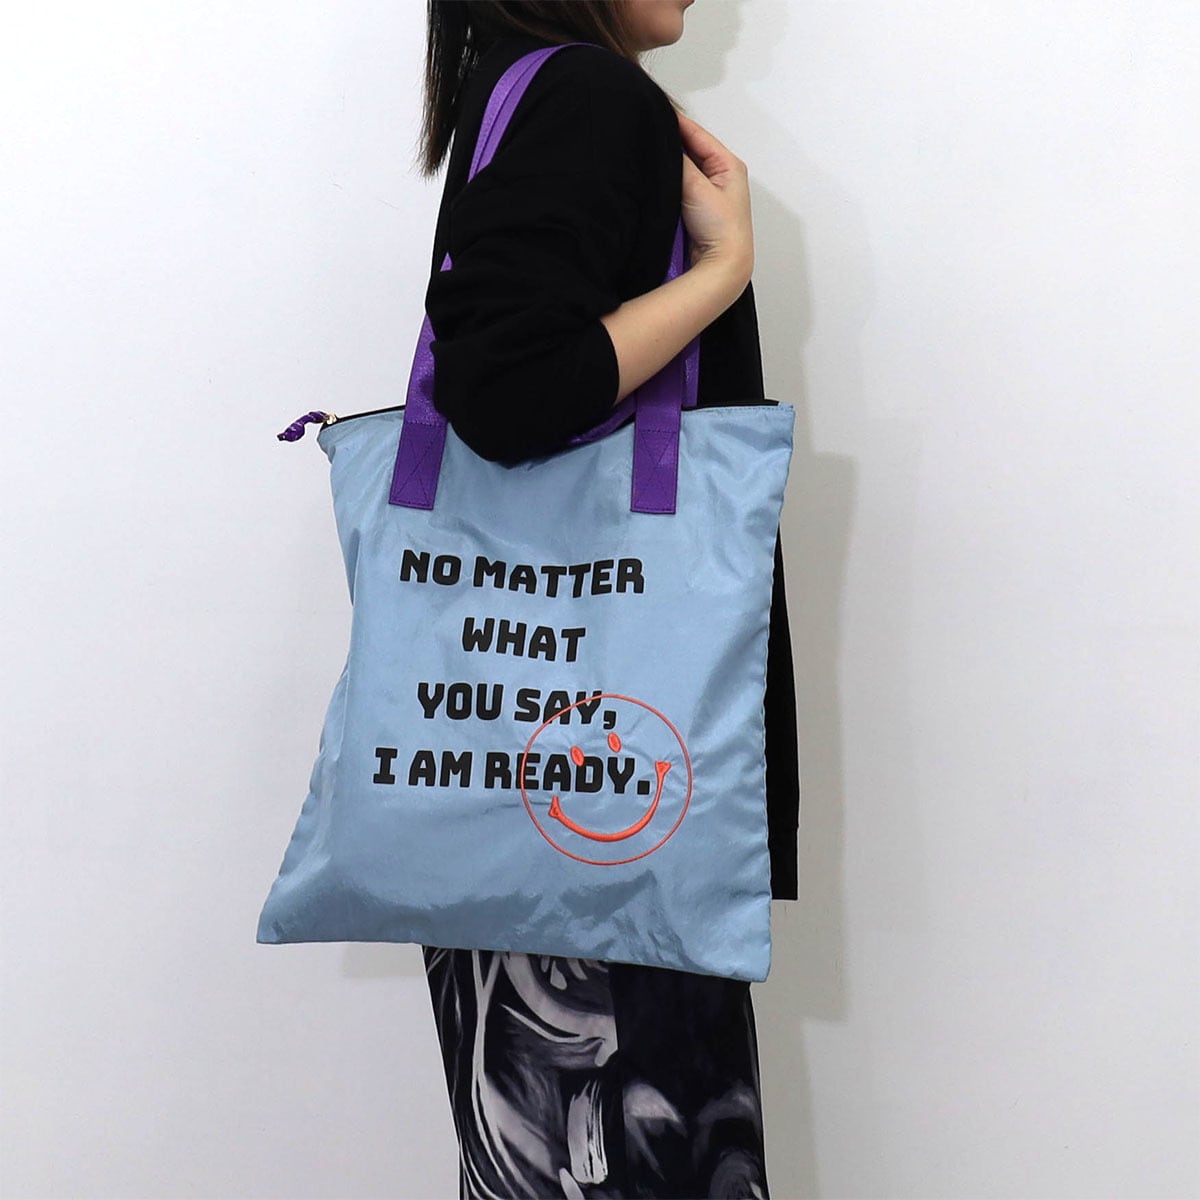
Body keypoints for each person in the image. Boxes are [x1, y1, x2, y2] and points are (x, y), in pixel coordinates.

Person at [415, 2, 799, 1196]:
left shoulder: (521, 87)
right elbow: (506, 384)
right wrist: (724, 270)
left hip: (523, 772)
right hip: (615, 797)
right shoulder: (585, 95)